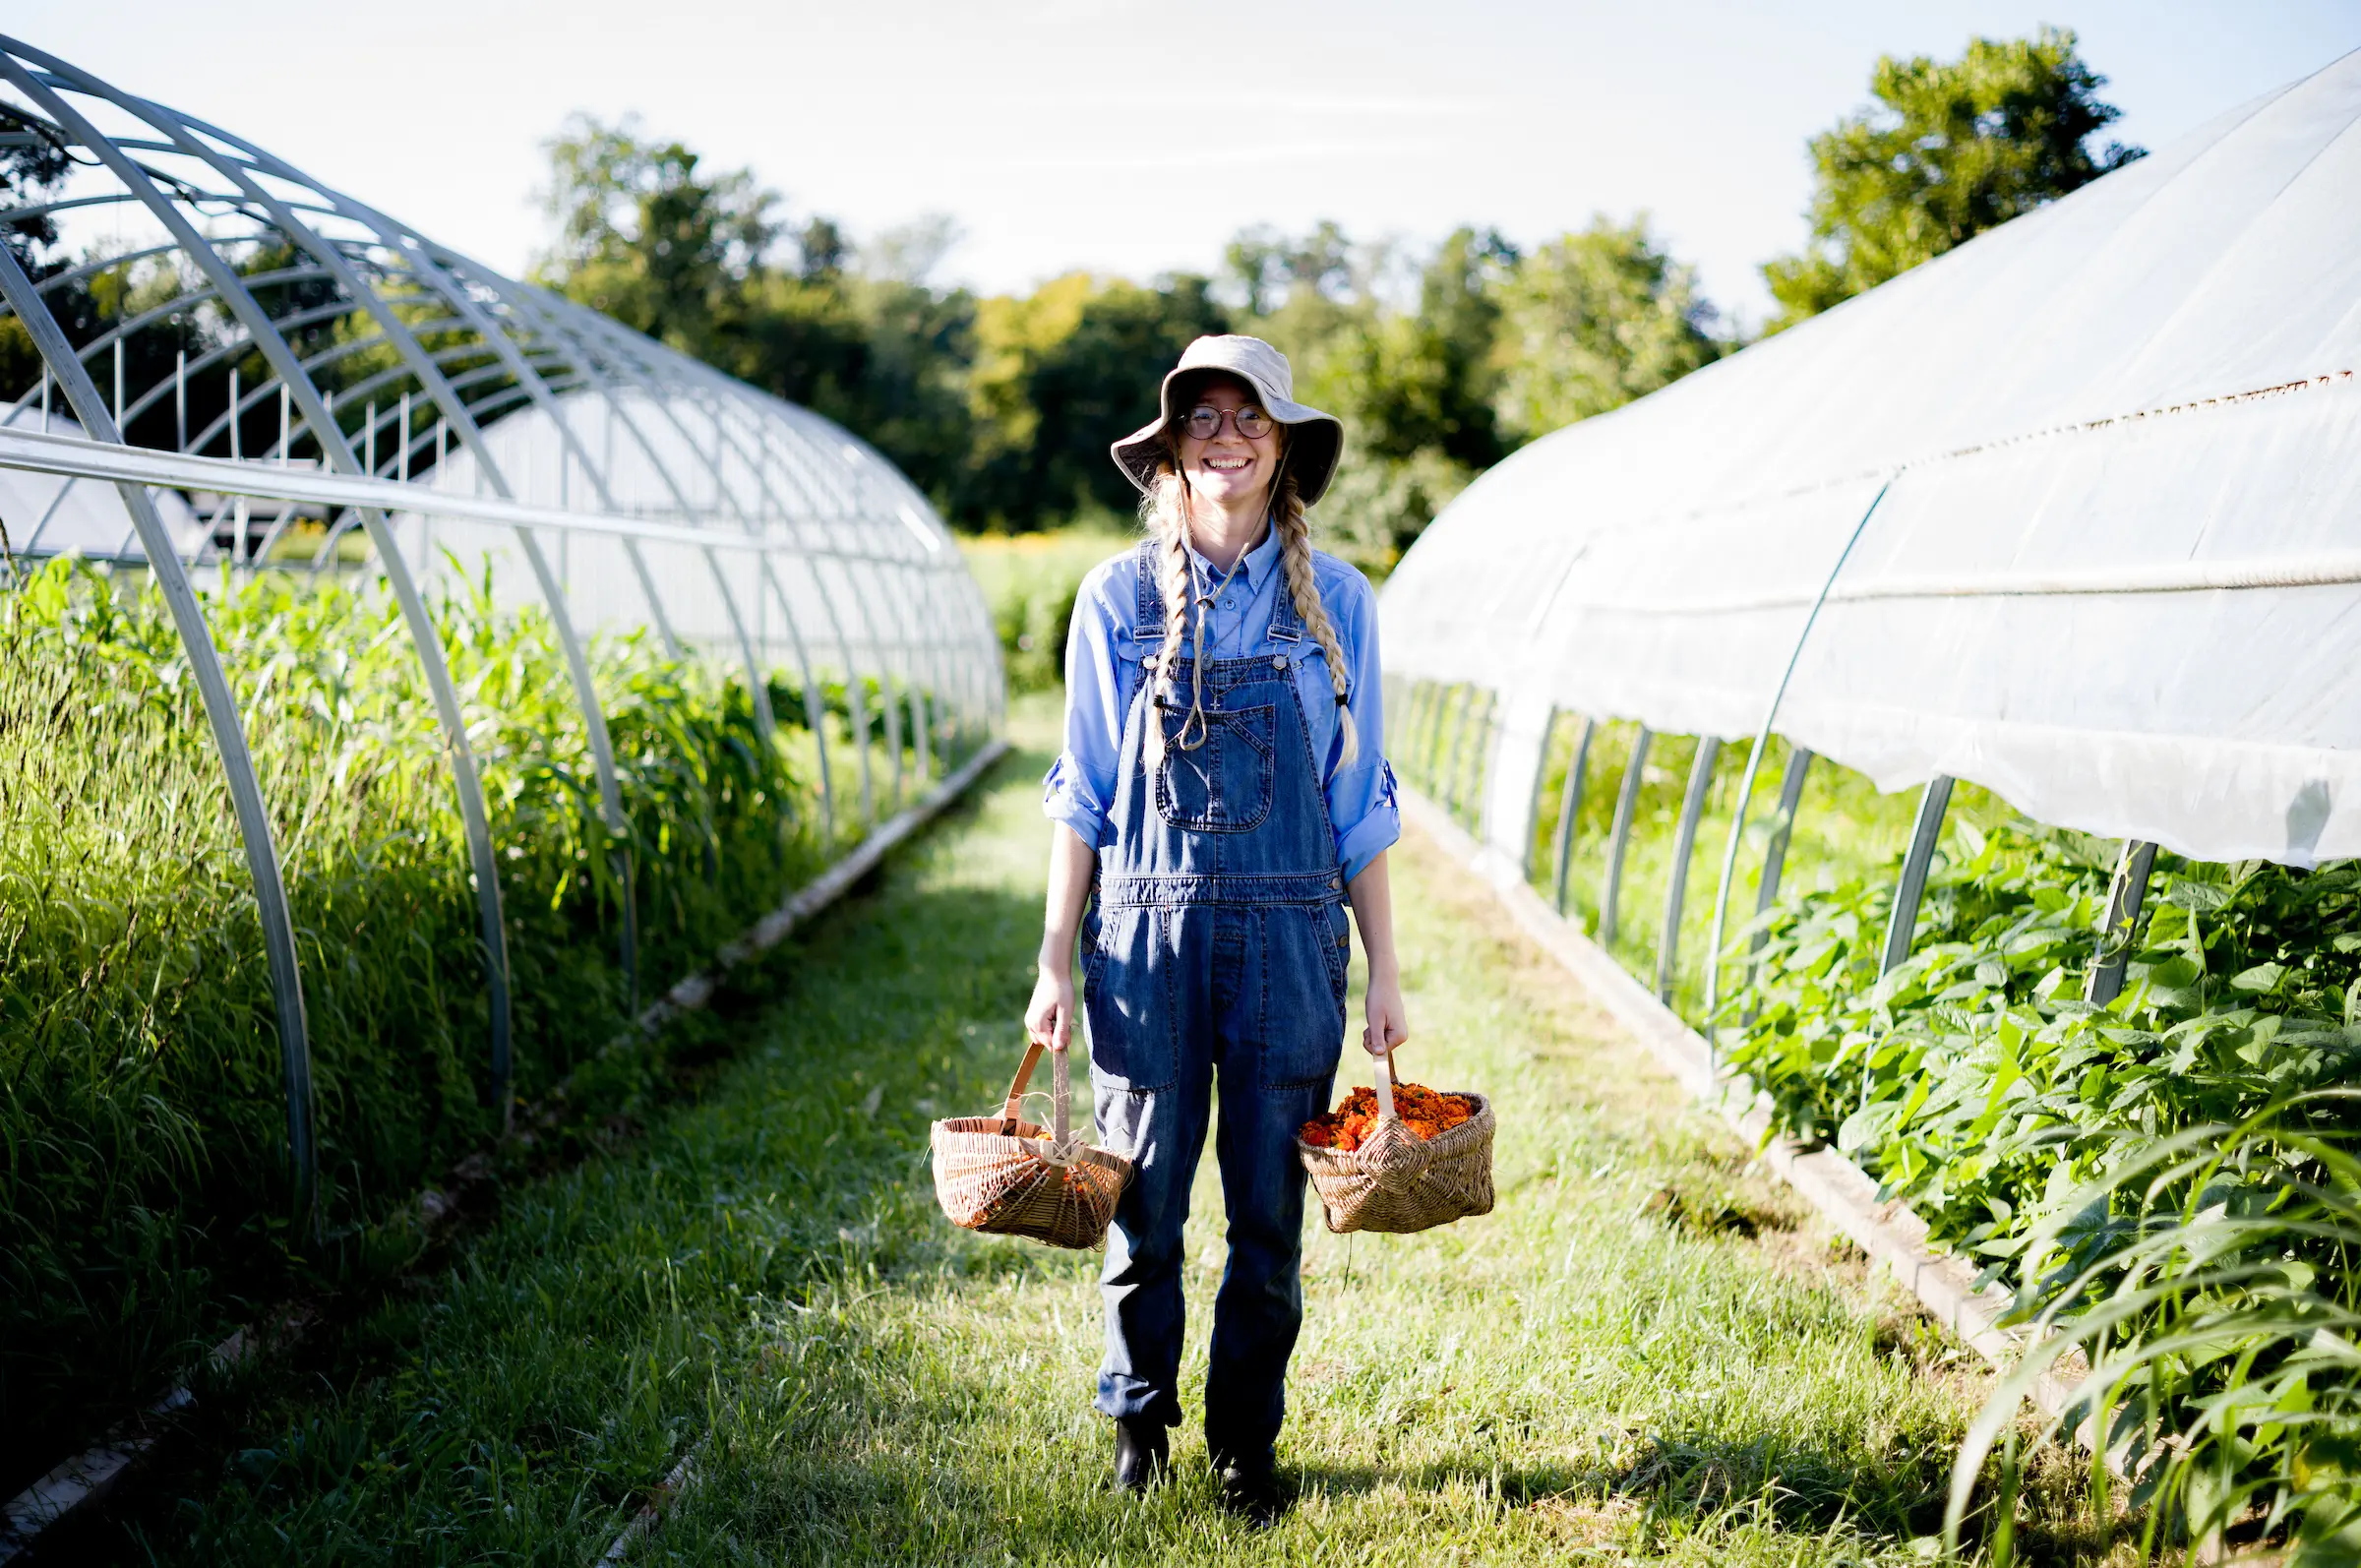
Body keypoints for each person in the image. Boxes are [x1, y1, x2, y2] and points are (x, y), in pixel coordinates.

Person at [1027, 334, 1408, 1524]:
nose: (1228, 434)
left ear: (1284, 445)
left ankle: (1247, 1440)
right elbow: (1084, 790)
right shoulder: (1116, 598)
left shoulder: (1338, 602)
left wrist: (1386, 966)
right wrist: (1052, 956)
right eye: (1204, 416)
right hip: (1141, 940)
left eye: (1252, 416)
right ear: (1173, 448)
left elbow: (1359, 803)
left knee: (1266, 1215)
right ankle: (1139, 1419)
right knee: (1140, 1203)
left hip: (1292, 944)